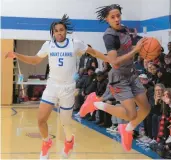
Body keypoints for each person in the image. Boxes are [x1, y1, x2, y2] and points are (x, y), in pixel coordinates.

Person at [5, 14, 146, 159]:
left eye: (61, 30)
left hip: (67, 89)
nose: (59, 32)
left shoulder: (75, 43)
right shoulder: (48, 45)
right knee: (41, 120)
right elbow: (35, 60)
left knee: (66, 124)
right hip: (52, 86)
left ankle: (69, 141)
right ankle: (46, 143)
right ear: (53, 32)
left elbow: (93, 52)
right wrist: (17, 54)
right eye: (56, 30)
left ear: (66, 31)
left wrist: (110, 60)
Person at [79, 4, 151, 151]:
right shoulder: (109, 36)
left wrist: (148, 46)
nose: (117, 19)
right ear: (107, 19)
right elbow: (114, 62)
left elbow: (136, 44)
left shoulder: (126, 30)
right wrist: (136, 50)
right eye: (113, 17)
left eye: (118, 15)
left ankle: (127, 130)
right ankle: (95, 104)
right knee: (131, 114)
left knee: (146, 108)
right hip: (118, 76)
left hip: (131, 74)